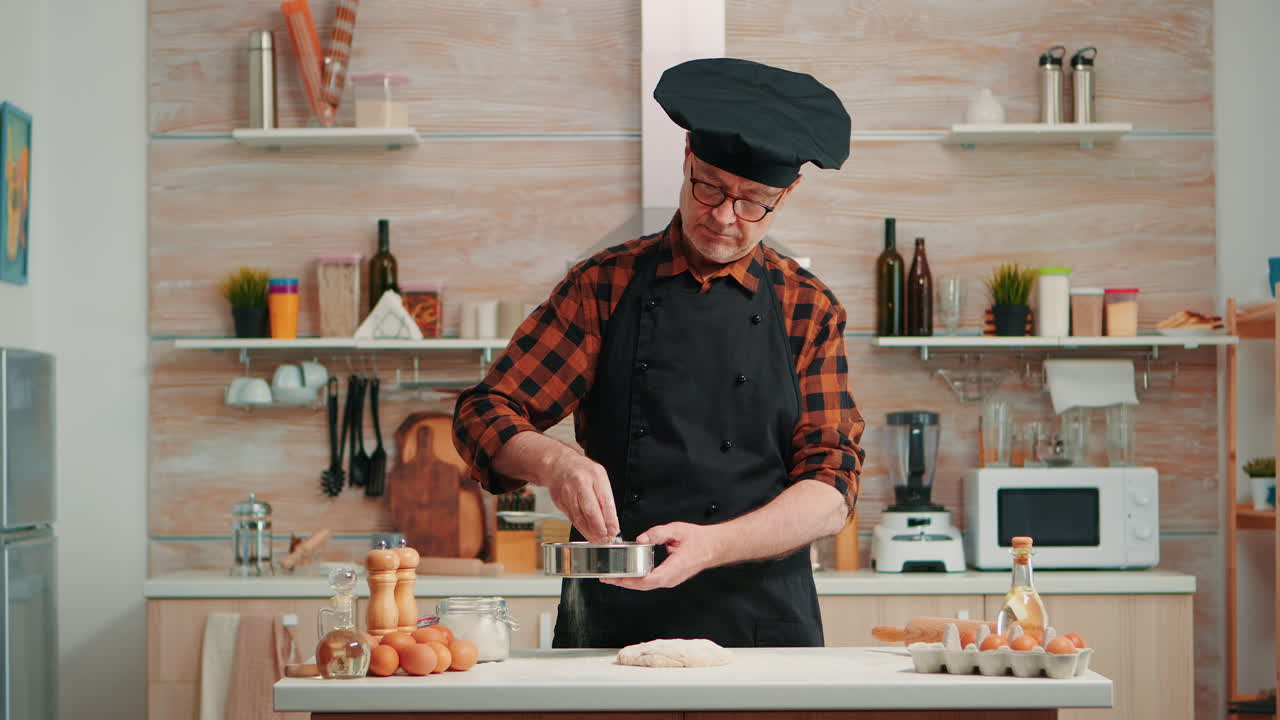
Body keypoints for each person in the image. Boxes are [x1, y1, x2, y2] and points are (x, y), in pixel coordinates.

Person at [453, 57, 865, 649]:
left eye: (753, 202)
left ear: (788, 193)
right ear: (687, 159)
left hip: (764, 629)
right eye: (710, 188)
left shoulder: (809, 307)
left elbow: (831, 487)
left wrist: (713, 545)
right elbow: (482, 413)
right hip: (613, 627)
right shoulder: (603, 284)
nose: (725, 217)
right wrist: (555, 462)